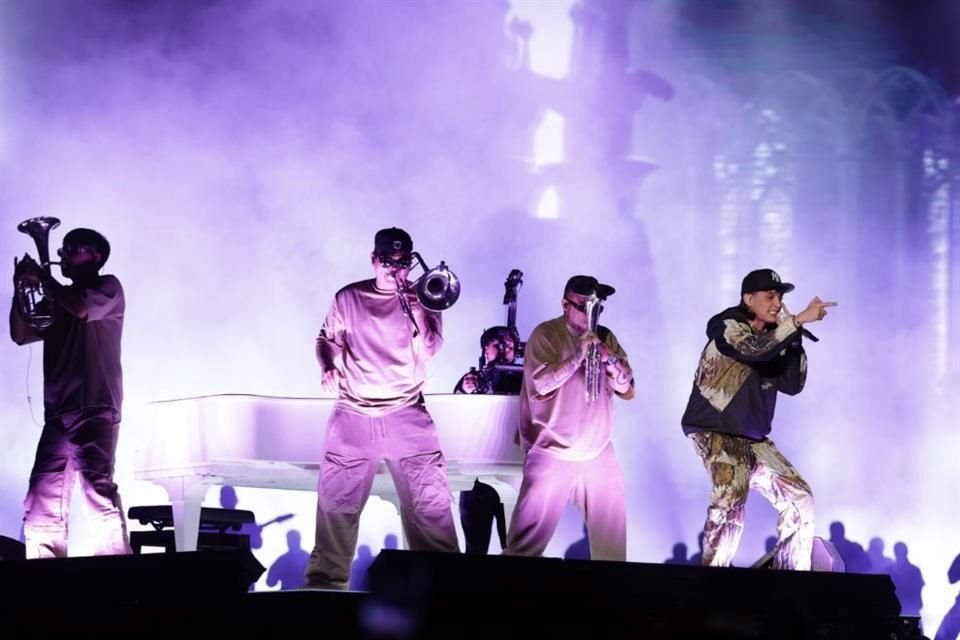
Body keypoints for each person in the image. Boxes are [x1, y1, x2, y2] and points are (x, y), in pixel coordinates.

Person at [304, 227, 459, 589]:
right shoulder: (349, 297)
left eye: (403, 263)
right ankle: (324, 587)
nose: (395, 269)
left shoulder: (425, 298)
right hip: (353, 415)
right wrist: (327, 366)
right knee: (336, 507)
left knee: (430, 506)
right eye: (388, 262)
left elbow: (431, 348)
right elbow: (325, 339)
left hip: (407, 413)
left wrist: (417, 305)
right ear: (374, 260)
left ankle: (445, 588)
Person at [681, 268, 836, 570]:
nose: (777, 303)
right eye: (770, 296)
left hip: (754, 439)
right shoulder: (729, 327)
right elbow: (753, 350)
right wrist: (797, 321)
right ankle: (712, 586)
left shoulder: (775, 339)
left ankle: (792, 582)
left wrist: (794, 339)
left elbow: (793, 385)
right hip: (716, 431)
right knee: (731, 495)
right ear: (748, 299)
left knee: (800, 498)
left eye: (779, 296)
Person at [10, 227, 130, 558]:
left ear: (96, 257)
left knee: (96, 488)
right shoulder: (58, 298)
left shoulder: (108, 287)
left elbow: (79, 308)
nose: (63, 253)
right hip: (58, 412)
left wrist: (44, 280)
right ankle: (43, 572)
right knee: (41, 494)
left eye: (74, 248)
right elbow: (20, 335)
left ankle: (117, 571)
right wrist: (21, 288)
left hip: (93, 405)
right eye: (64, 248)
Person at [503, 275, 634, 560]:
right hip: (552, 449)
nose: (591, 314)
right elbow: (541, 384)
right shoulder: (546, 334)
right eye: (584, 306)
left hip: (597, 450)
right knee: (524, 545)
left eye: (597, 308)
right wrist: (577, 356)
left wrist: (609, 358)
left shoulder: (605, 335)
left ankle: (613, 597)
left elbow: (626, 387)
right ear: (566, 304)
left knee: (611, 543)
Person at [453, 326, 521, 395]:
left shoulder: (522, 377)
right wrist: (465, 389)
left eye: (510, 348)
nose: (505, 350)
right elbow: (456, 401)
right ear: (486, 350)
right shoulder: (476, 378)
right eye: (497, 346)